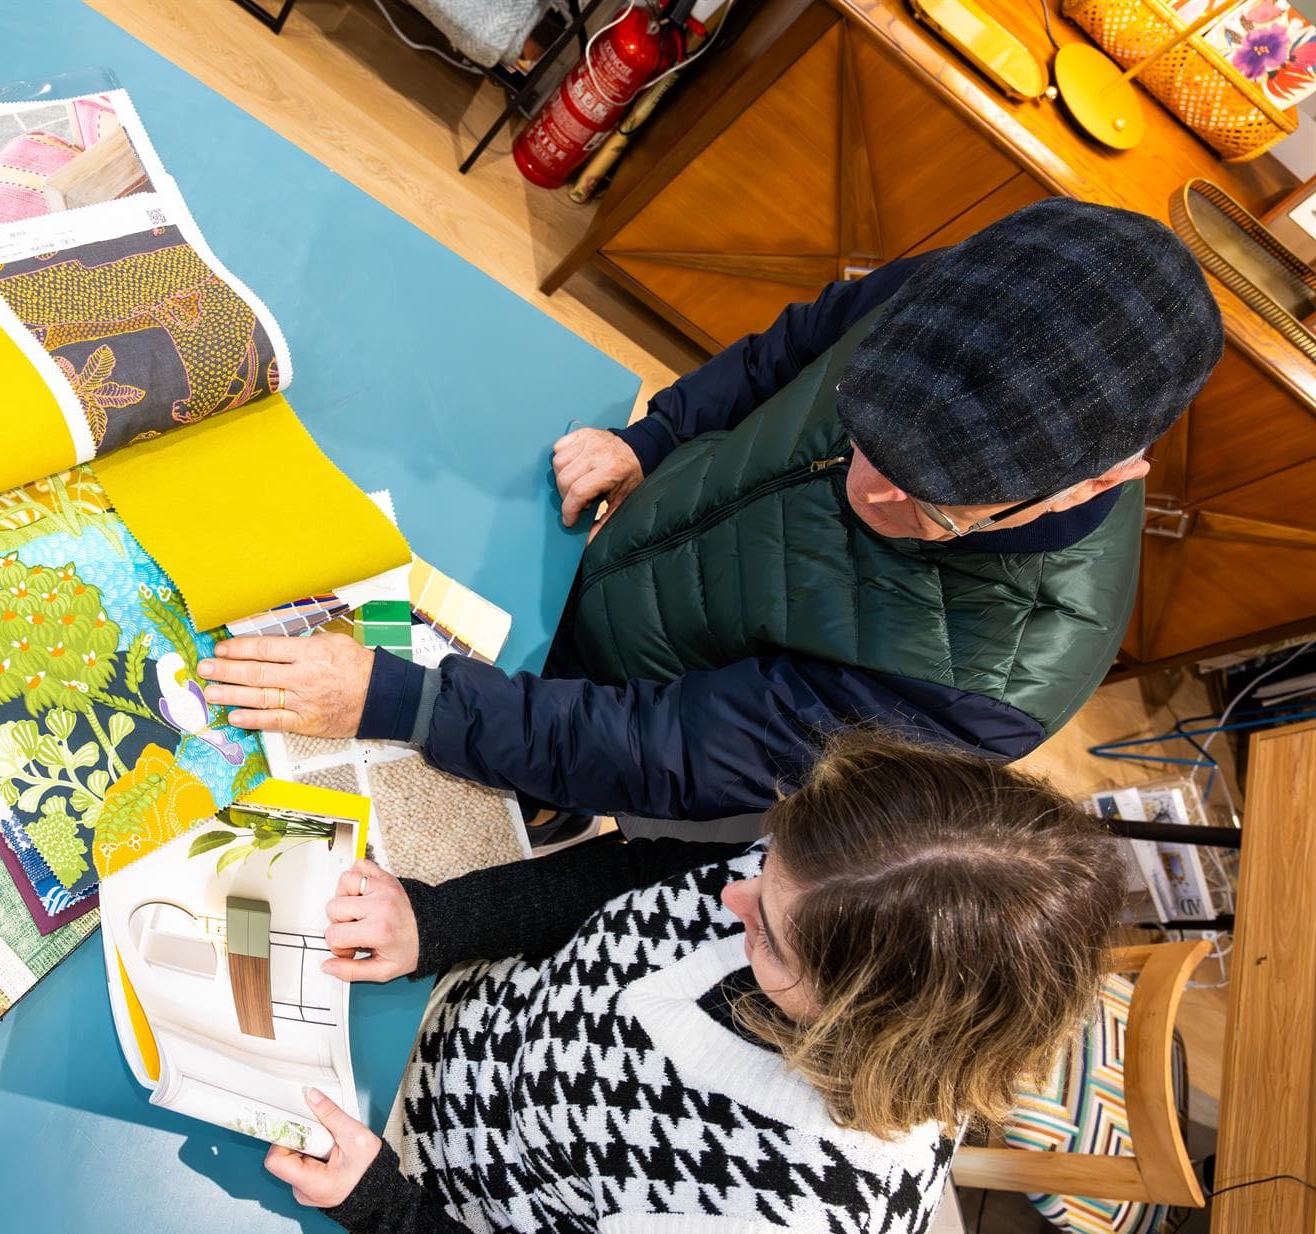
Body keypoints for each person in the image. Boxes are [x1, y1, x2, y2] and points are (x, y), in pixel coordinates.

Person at [198, 198, 1224, 830]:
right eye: (863, 432)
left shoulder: (986, 689)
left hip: (607, 712)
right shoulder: (968, 292)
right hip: (590, 566)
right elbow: (791, 347)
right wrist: (655, 438)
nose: (867, 487)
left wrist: (403, 704)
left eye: (931, 504)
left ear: (1102, 481)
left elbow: (663, 751)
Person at [263, 733, 1126, 1234]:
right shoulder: (831, 871)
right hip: (425, 1023)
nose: (732, 900)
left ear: (865, 1020)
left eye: (773, 940)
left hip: (410, 1207)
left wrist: (382, 1207)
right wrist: (436, 922)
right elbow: (636, 872)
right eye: (763, 860)